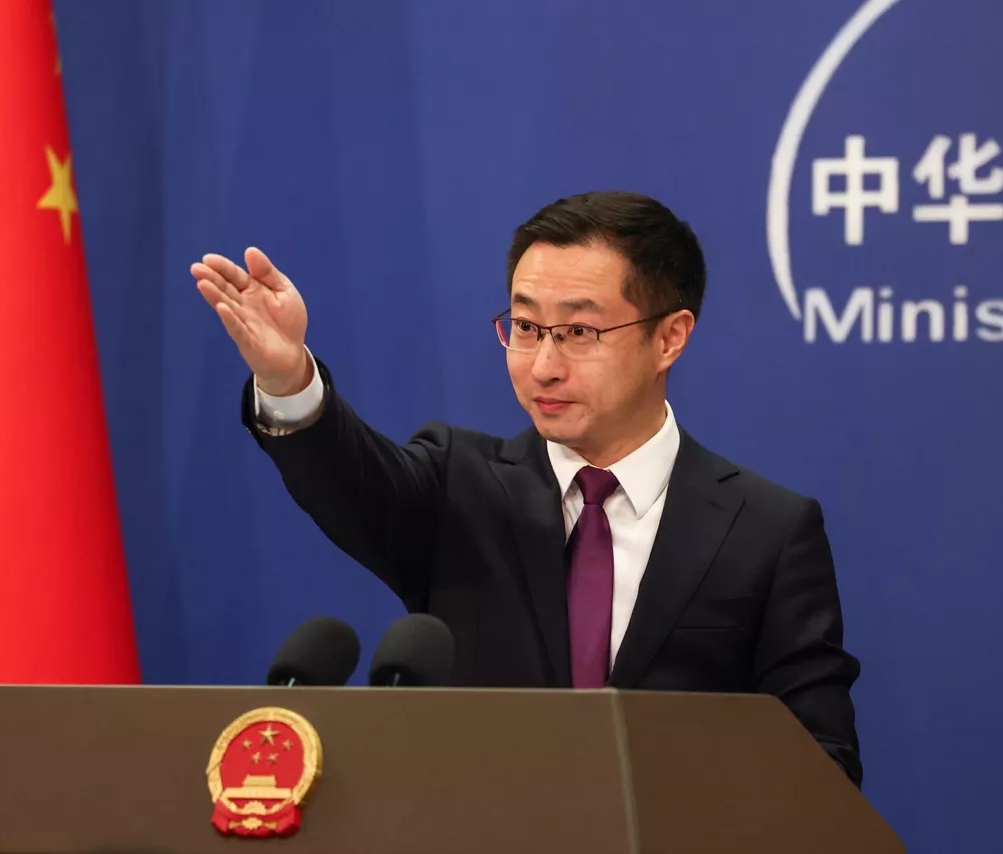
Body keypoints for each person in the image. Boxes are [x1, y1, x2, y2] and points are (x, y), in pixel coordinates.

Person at [192, 191, 862, 786]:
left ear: (670, 338)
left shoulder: (765, 531)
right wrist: (287, 382)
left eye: (578, 332)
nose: (543, 365)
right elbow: (351, 479)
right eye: (526, 327)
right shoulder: (458, 485)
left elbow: (820, 765)